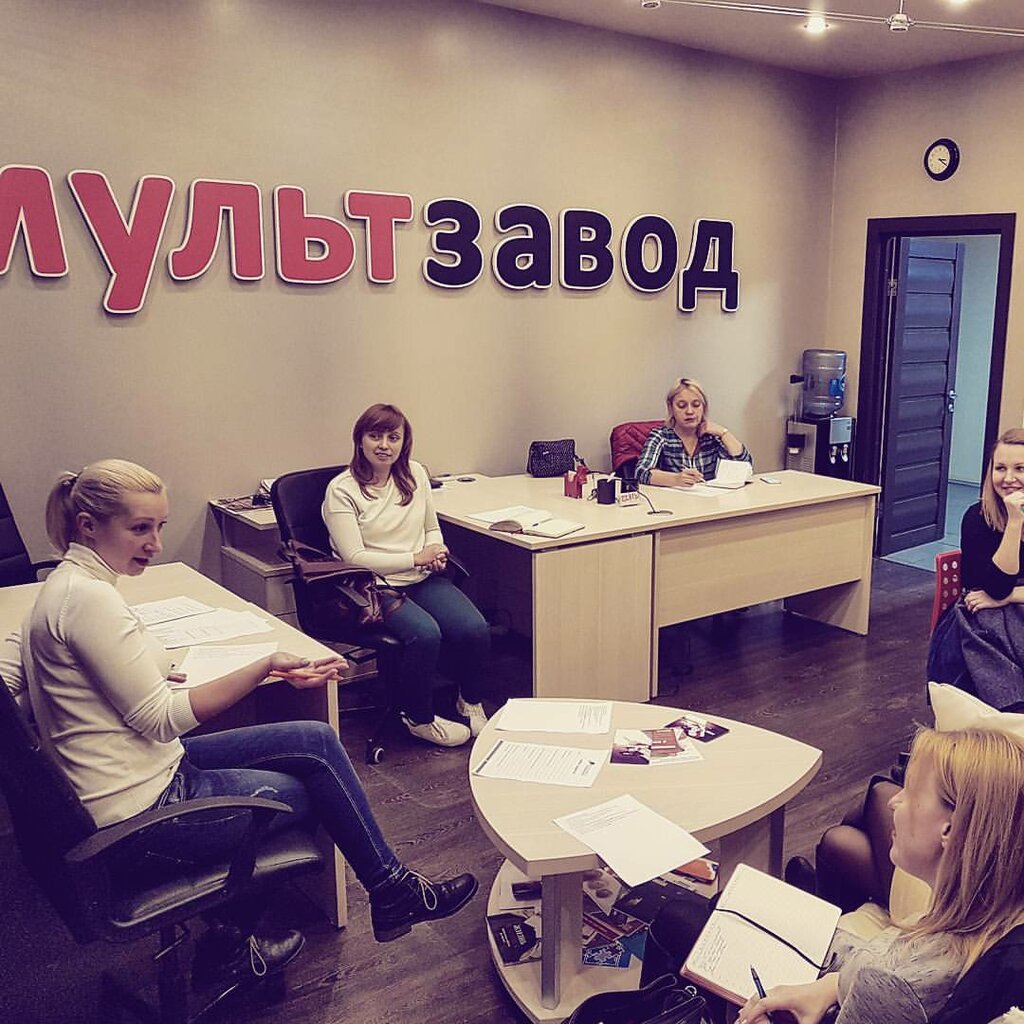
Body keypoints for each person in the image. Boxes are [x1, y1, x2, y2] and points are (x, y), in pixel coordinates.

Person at [22, 459, 478, 990]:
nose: (155, 543)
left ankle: (392, 890)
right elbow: (162, 718)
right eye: (140, 528)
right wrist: (264, 666)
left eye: (160, 526)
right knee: (298, 798)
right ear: (88, 526)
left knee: (313, 739)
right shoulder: (89, 601)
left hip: (145, 772)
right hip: (139, 816)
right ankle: (229, 946)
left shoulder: (70, 586)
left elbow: (130, 667)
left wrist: (224, 664)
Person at [738, 727, 1024, 1024]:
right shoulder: (987, 920)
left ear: (950, 830)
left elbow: (887, 985)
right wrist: (832, 986)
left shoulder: (896, 985)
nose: (893, 801)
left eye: (910, 791)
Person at [322, 403, 490, 748]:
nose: (384, 445)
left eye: (393, 437)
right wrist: (416, 557)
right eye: (375, 436)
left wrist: (436, 550)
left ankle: (470, 701)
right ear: (360, 440)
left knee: (474, 628)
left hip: (419, 577)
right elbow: (355, 558)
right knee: (425, 634)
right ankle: (419, 718)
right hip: (371, 586)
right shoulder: (342, 490)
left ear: (404, 442)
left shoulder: (414, 474)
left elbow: (431, 527)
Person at [927, 428, 1024, 710]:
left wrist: (1011, 596)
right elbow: (996, 587)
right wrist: (1014, 523)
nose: (1008, 478)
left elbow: (1001, 595)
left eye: (1020, 469)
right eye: (1000, 468)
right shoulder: (978, 517)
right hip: (983, 620)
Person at [635, 377, 752, 488]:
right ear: (671, 408)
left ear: (703, 407)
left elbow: (744, 466)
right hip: (675, 499)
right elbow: (641, 472)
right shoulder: (661, 436)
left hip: (710, 499)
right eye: (682, 406)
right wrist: (676, 479)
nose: (690, 411)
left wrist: (724, 433)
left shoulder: (712, 437)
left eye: (696, 405)